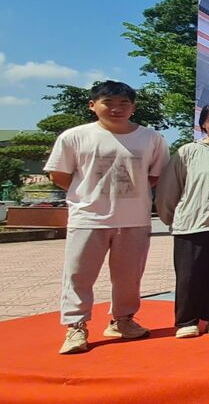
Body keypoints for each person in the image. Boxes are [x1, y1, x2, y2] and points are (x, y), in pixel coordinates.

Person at [45, 80, 169, 354]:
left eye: (124, 103)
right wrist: (89, 195)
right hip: (88, 218)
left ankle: (122, 320)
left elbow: (154, 175)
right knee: (79, 275)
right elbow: (59, 174)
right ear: (93, 105)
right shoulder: (74, 136)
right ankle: (76, 326)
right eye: (108, 103)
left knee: (129, 277)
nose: (116, 108)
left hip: (134, 219)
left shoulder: (151, 138)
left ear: (133, 107)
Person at [155, 104, 209, 339]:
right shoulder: (187, 152)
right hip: (191, 224)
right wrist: (170, 217)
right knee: (189, 275)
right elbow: (169, 188)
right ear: (203, 124)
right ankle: (187, 320)